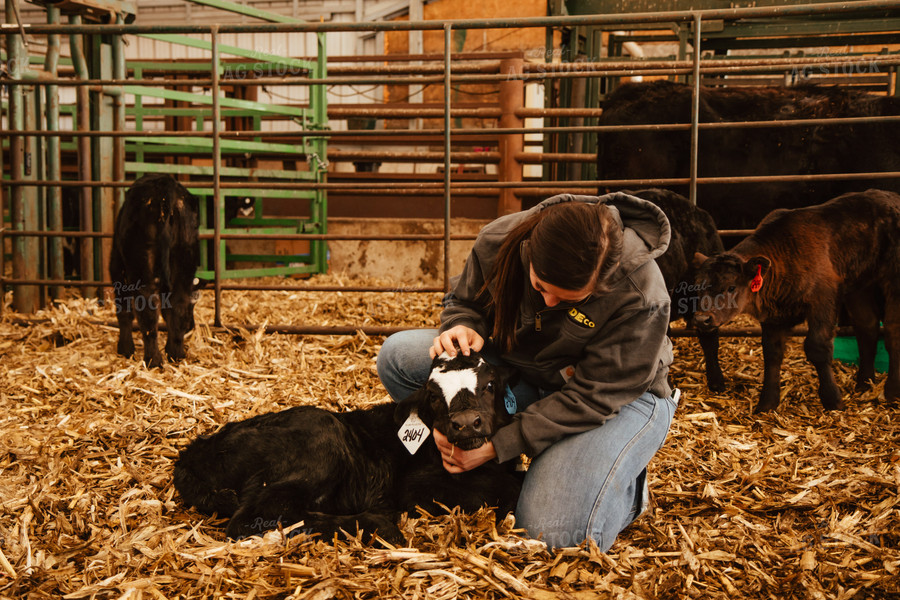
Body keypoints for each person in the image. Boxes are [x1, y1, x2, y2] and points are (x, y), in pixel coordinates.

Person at [377, 192, 678, 551]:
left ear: (601, 282)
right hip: (527, 374)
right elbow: (464, 301)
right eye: (539, 288)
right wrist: (463, 324)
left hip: (612, 400)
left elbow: (593, 396)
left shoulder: (641, 295)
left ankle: (624, 487)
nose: (549, 303)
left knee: (551, 533)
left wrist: (500, 444)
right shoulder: (501, 239)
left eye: (569, 300)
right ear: (530, 251)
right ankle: (530, 462)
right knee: (399, 355)